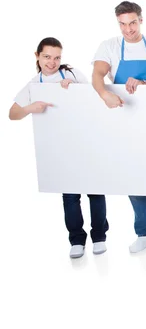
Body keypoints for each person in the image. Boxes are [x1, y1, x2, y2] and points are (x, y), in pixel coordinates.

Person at [91, 1, 146, 254]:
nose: (128, 29)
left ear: (141, 20)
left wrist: (144, 82)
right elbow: (98, 74)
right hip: (125, 121)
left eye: (132, 23)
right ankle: (144, 232)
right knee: (133, 175)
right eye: (123, 24)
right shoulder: (108, 47)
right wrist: (104, 95)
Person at [9, 37, 109, 258]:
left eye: (56, 58)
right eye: (47, 57)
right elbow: (12, 114)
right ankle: (76, 240)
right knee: (70, 195)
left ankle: (99, 237)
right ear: (37, 56)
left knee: (95, 190)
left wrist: (75, 89)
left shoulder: (71, 74)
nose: (52, 62)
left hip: (86, 143)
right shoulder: (34, 85)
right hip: (61, 149)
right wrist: (29, 108)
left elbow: (95, 95)